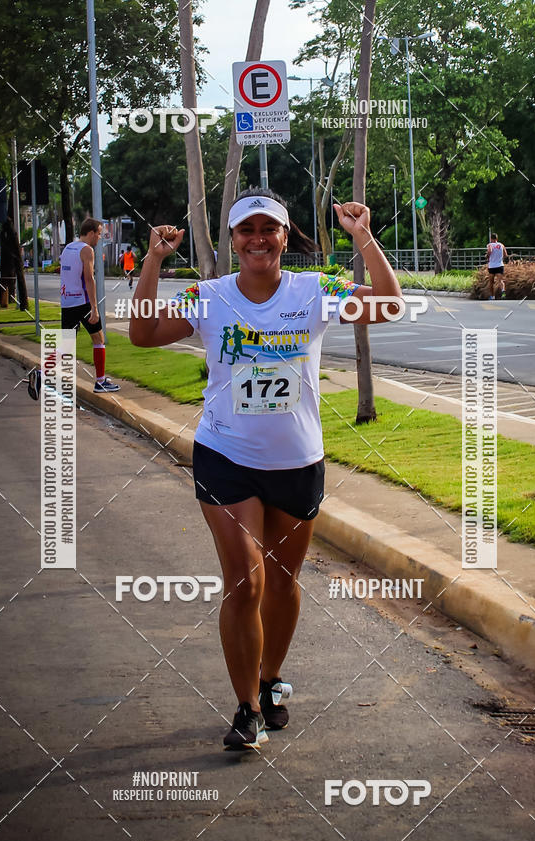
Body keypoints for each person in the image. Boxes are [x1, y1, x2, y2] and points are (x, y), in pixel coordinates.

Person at [129, 188, 403, 751]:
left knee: (282, 580)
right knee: (245, 578)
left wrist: (363, 237)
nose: (258, 238)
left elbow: (389, 305)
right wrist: (154, 260)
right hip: (225, 455)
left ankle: (271, 676)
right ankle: (246, 708)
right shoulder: (209, 297)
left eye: (269, 229)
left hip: (297, 460)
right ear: (232, 241)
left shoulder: (317, 290)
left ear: (284, 236)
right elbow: (143, 333)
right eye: (246, 230)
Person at [27, 217, 120, 399]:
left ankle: (41, 373)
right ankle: (100, 381)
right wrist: (94, 307)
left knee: (66, 345)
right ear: (91, 232)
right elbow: (88, 279)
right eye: (99, 233)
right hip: (82, 301)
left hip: (67, 302)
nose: (99, 237)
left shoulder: (69, 247)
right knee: (98, 339)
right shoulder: (87, 250)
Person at [486, 232, 508, 300]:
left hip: (492, 266)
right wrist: (501, 259)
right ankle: (503, 292)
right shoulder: (501, 245)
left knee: (491, 282)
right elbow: (506, 255)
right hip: (500, 265)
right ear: (497, 238)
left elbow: (490, 251)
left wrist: (487, 256)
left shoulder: (490, 245)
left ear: (491, 239)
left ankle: (492, 296)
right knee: (500, 281)